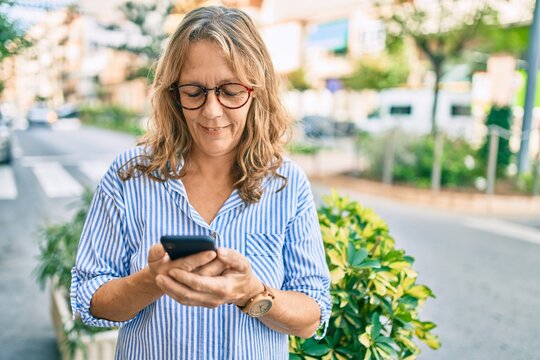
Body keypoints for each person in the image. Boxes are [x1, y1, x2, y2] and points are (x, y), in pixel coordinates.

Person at [71, 5, 331, 360]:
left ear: (257, 90)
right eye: (194, 92)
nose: (212, 111)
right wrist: (152, 280)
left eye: (230, 90)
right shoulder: (129, 176)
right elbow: (89, 300)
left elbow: (311, 316)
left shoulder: (286, 183)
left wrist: (251, 293)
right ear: (173, 94)